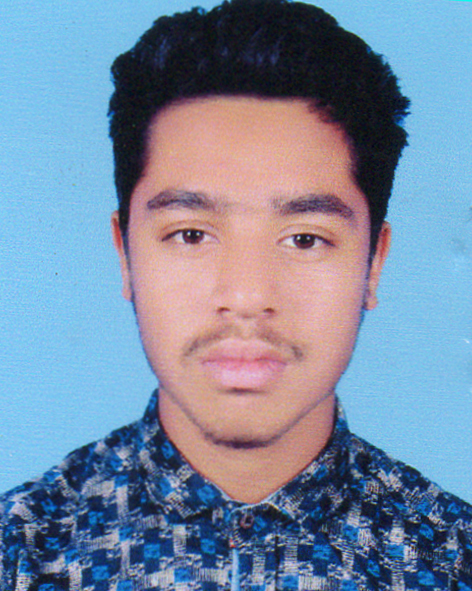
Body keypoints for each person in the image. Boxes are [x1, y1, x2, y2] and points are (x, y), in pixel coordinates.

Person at [1, 0, 471, 588]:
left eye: (304, 239)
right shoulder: (21, 553)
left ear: (374, 261)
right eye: (191, 234)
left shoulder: (452, 559)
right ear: (125, 255)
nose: (246, 297)